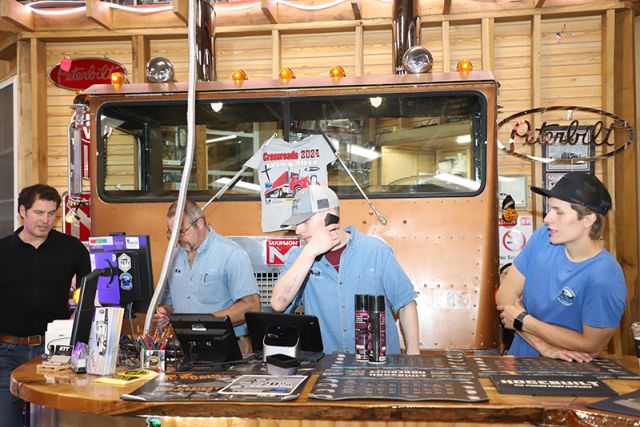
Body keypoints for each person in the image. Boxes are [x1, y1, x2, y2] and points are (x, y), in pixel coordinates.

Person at [270, 185, 420, 355]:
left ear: (330, 217)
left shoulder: (375, 250)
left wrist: (413, 355)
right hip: (326, 366)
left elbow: (406, 303)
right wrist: (310, 253)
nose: (298, 230)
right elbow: (278, 304)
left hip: (378, 364)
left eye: (305, 221)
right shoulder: (299, 257)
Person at [497, 172, 626, 362]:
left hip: (570, 370)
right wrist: (543, 347)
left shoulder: (605, 277)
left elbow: (591, 345)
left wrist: (523, 320)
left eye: (559, 212)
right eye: (550, 209)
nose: (547, 219)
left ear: (588, 220)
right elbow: (505, 296)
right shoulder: (544, 237)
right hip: (519, 362)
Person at [0, 184, 91, 427]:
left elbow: (89, 291)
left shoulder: (71, 248)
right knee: (6, 421)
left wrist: (78, 315)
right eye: (39, 213)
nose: (45, 220)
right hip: (6, 351)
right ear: (23, 211)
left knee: (55, 421)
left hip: (53, 351)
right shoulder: (2, 251)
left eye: (51, 214)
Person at [155, 200, 260, 354]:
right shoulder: (173, 257)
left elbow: (251, 306)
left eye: (181, 232)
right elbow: (168, 305)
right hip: (187, 344)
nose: (177, 239)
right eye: (172, 233)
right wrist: (164, 312)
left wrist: (205, 322)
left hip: (228, 343)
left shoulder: (232, 254)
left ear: (200, 224)